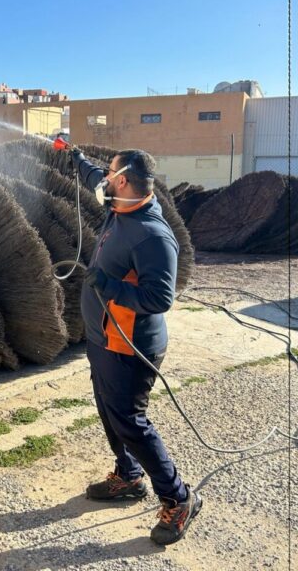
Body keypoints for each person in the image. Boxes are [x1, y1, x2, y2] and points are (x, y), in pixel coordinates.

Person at [70, 147, 202, 546]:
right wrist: (72, 155)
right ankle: (128, 476)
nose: (104, 179)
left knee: (131, 421)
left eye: (111, 174)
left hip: (130, 348)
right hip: (103, 339)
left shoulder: (151, 234)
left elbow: (160, 297)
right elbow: (94, 177)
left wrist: (108, 286)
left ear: (123, 180)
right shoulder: (120, 205)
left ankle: (179, 498)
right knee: (110, 413)